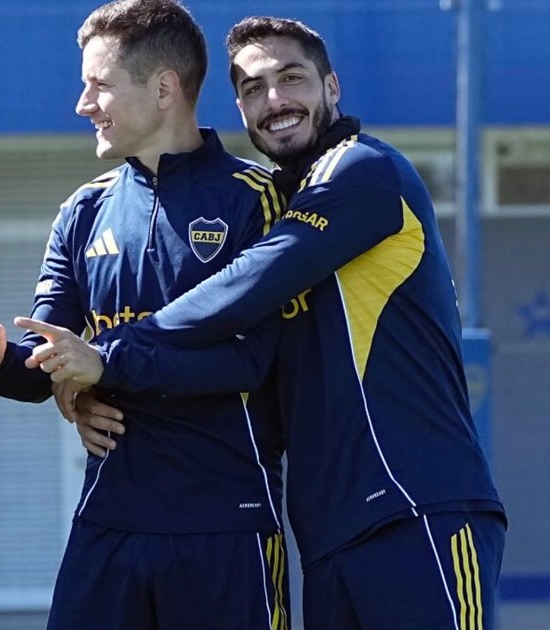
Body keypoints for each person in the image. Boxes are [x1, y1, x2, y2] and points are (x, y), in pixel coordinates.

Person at [33, 16, 506, 630]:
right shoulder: (285, 195)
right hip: (331, 530)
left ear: (332, 86)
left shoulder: (361, 169)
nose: (275, 99)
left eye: (292, 78)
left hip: (418, 506)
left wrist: (106, 356)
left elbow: (242, 287)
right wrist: (90, 387)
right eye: (253, 89)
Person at [0, 1, 288, 628]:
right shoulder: (83, 211)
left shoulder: (257, 198)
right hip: (108, 520)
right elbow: (48, 362)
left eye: (99, 85)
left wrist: (106, 367)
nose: (83, 104)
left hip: (225, 522)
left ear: (163, 89)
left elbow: (252, 361)